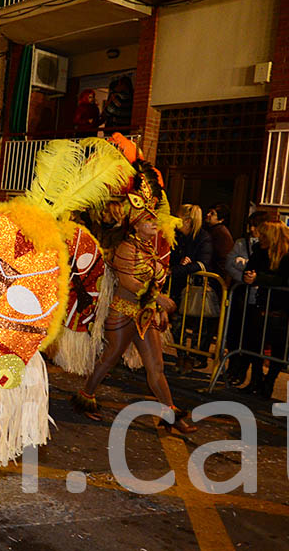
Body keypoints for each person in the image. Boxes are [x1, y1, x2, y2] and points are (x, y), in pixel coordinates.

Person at [73, 160, 197, 433]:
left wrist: (158, 305)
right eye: (149, 221)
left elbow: (154, 280)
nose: (155, 224)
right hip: (123, 312)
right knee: (110, 357)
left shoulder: (150, 250)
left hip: (145, 314)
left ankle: (171, 413)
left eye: (155, 220)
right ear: (137, 224)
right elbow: (129, 283)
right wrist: (159, 299)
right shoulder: (126, 248)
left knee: (157, 365)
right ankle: (85, 396)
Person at [241, 221, 289, 399]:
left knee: (278, 347)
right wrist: (248, 276)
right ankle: (255, 379)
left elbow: (288, 280)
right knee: (255, 344)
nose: (259, 238)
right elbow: (250, 270)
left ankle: (269, 382)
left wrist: (260, 278)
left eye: (263, 235)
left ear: (272, 237)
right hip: (263, 303)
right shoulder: (259, 251)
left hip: (286, 307)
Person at [224, 210, 275, 386]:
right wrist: (244, 278)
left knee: (251, 338)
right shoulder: (241, 243)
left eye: (256, 226)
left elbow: (261, 270)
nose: (252, 229)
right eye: (250, 225)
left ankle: (246, 372)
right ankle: (232, 367)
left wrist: (244, 265)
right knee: (234, 332)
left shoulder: (268, 246)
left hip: (258, 299)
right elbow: (230, 264)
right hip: (241, 293)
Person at [169, 203, 214, 372]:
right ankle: (181, 356)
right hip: (178, 287)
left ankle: (192, 358)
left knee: (196, 327)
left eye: (178, 216)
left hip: (196, 289)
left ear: (187, 220)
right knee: (177, 325)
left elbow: (203, 264)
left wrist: (177, 269)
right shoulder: (177, 236)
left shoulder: (203, 238)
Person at [204, 203, 234, 281]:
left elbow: (223, 258)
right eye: (209, 212)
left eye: (212, 213)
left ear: (221, 219)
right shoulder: (212, 230)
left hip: (216, 276)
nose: (208, 214)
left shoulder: (220, 233)